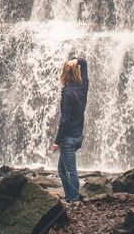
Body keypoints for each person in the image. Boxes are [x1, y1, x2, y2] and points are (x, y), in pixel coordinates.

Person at [51, 56, 88, 203]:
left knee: (71, 171)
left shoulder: (67, 93)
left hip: (68, 139)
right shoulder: (83, 88)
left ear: (65, 74)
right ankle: (69, 198)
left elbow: (64, 120)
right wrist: (78, 61)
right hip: (78, 136)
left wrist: (57, 141)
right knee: (61, 170)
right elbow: (85, 64)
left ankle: (74, 200)